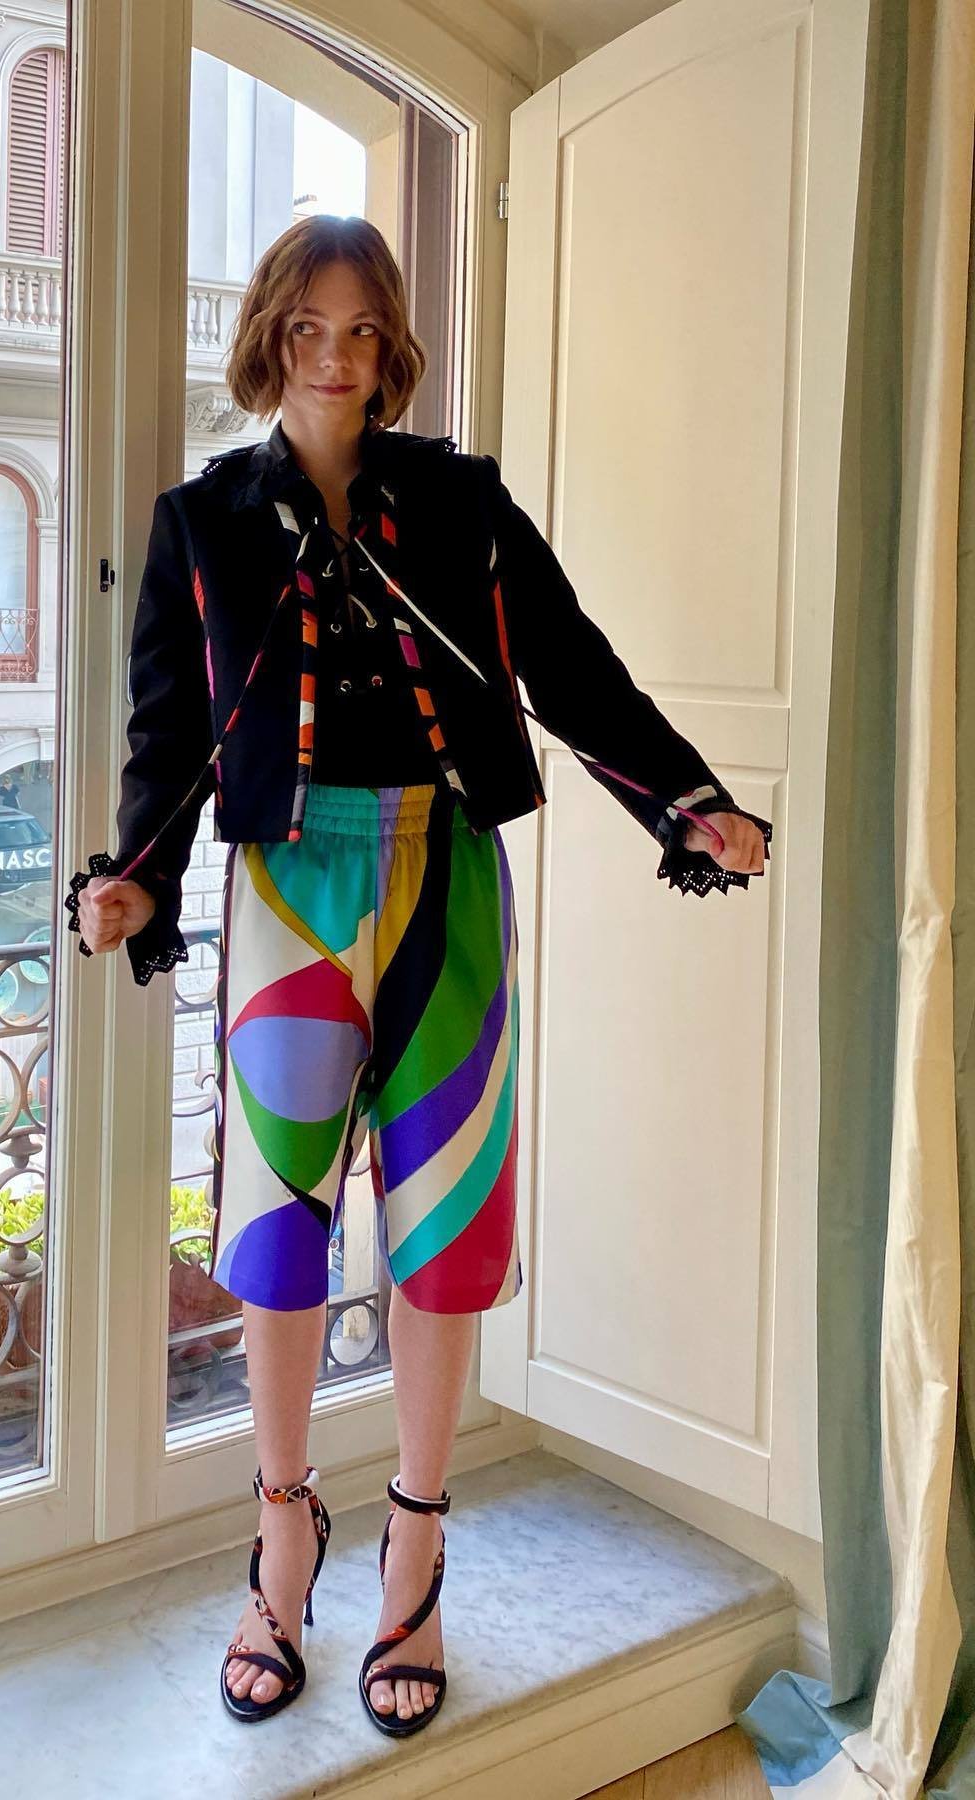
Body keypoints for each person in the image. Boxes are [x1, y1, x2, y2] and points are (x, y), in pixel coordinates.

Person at [66, 216, 770, 1736]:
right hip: (287, 884)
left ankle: (417, 1542)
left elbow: (571, 668)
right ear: (269, 336)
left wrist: (684, 799)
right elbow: (168, 734)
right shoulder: (201, 523)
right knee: (275, 1222)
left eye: (363, 330)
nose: (335, 356)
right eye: (307, 327)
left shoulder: (460, 501)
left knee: (446, 1217)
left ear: (392, 347)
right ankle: (283, 1531)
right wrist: (133, 877)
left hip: (446, 870)